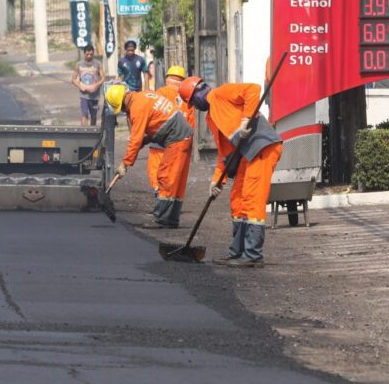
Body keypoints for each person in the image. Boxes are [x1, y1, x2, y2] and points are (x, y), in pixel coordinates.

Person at [180, 75, 283, 268]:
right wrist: (217, 181)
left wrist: (245, 120)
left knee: (252, 199)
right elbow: (225, 153)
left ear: (198, 93)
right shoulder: (212, 117)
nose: (195, 106)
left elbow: (253, 88)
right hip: (247, 154)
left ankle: (252, 255)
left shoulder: (221, 93)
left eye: (193, 102)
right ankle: (237, 252)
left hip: (262, 147)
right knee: (237, 199)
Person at [105, 83, 193, 229]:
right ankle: (170, 219)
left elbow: (135, 139)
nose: (123, 111)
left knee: (165, 177)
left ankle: (160, 219)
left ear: (122, 101)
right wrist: (146, 140)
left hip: (176, 137)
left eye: (121, 108)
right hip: (182, 134)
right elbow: (158, 123)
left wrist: (125, 164)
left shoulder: (136, 108)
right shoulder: (143, 96)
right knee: (176, 181)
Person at [147, 65, 195, 203]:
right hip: (179, 142)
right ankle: (170, 198)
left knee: (155, 170)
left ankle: (159, 193)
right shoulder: (188, 99)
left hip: (159, 140)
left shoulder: (161, 92)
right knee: (173, 173)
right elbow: (191, 124)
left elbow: (153, 112)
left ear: (167, 78)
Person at [71, 45, 104, 126]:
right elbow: (73, 79)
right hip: (84, 95)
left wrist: (96, 85)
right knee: (84, 114)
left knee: (93, 116)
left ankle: (92, 134)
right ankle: (83, 134)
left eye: (91, 54)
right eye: (87, 54)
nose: (89, 56)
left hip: (95, 96)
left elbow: (103, 78)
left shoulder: (98, 64)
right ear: (84, 53)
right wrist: (80, 86)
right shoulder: (79, 64)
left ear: (93, 54)